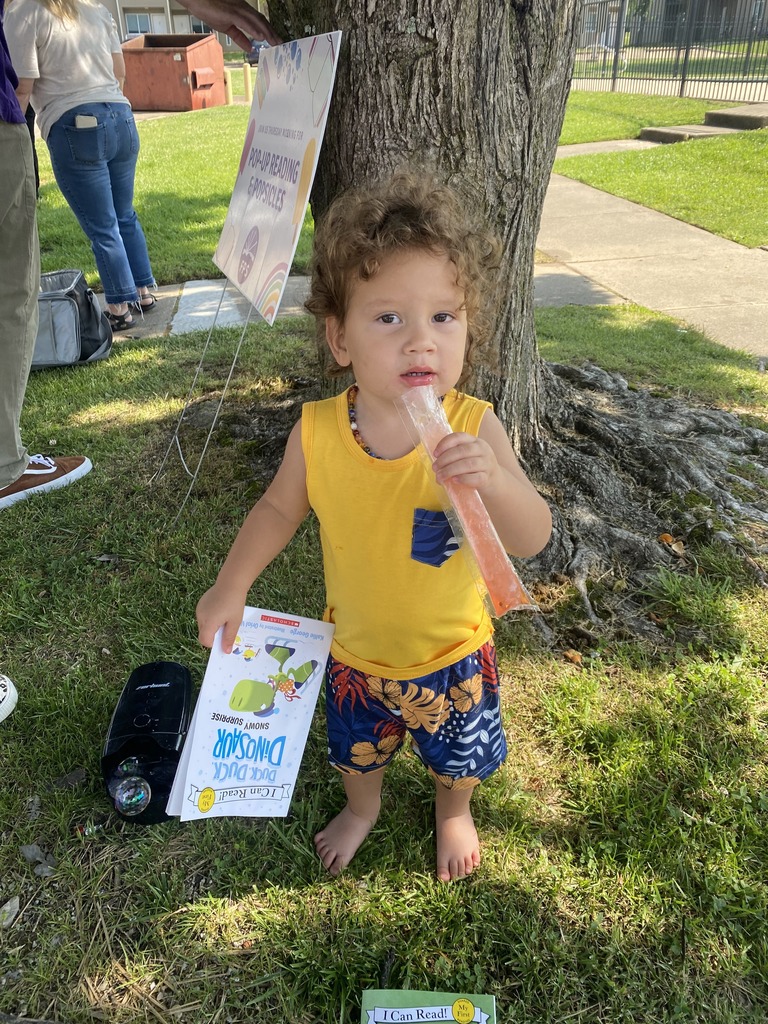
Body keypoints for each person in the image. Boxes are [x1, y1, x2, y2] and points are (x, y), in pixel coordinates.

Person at [196, 171, 553, 882]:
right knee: (355, 755)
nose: (420, 341)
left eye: (443, 318)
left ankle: (453, 812)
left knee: (459, 762)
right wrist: (229, 586)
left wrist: (492, 479)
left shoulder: (476, 427)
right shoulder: (320, 432)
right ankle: (364, 810)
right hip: (356, 655)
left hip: (453, 653)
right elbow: (276, 510)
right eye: (389, 318)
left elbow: (533, 535)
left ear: (467, 330)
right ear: (339, 338)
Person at [5, 0, 160, 331]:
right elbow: (120, 72)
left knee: (102, 225)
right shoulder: (96, 9)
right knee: (124, 213)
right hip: (121, 116)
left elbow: (22, 86)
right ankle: (143, 292)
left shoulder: (24, 11)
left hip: (73, 121)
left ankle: (119, 307)